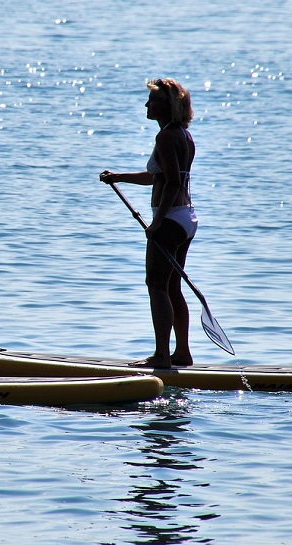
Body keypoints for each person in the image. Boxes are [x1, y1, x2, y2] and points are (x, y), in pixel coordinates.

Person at [99, 78, 197, 367]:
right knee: (172, 287)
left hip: (170, 219)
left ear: (165, 106)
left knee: (156, 285)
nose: (146, 104)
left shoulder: (165, 137)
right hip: (186, 219)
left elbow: (172, 182)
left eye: (152, 100)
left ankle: (162, 356)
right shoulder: (182, 135)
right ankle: (182, 353)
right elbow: (158, 177)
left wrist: (158, 222)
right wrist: (118, 177)